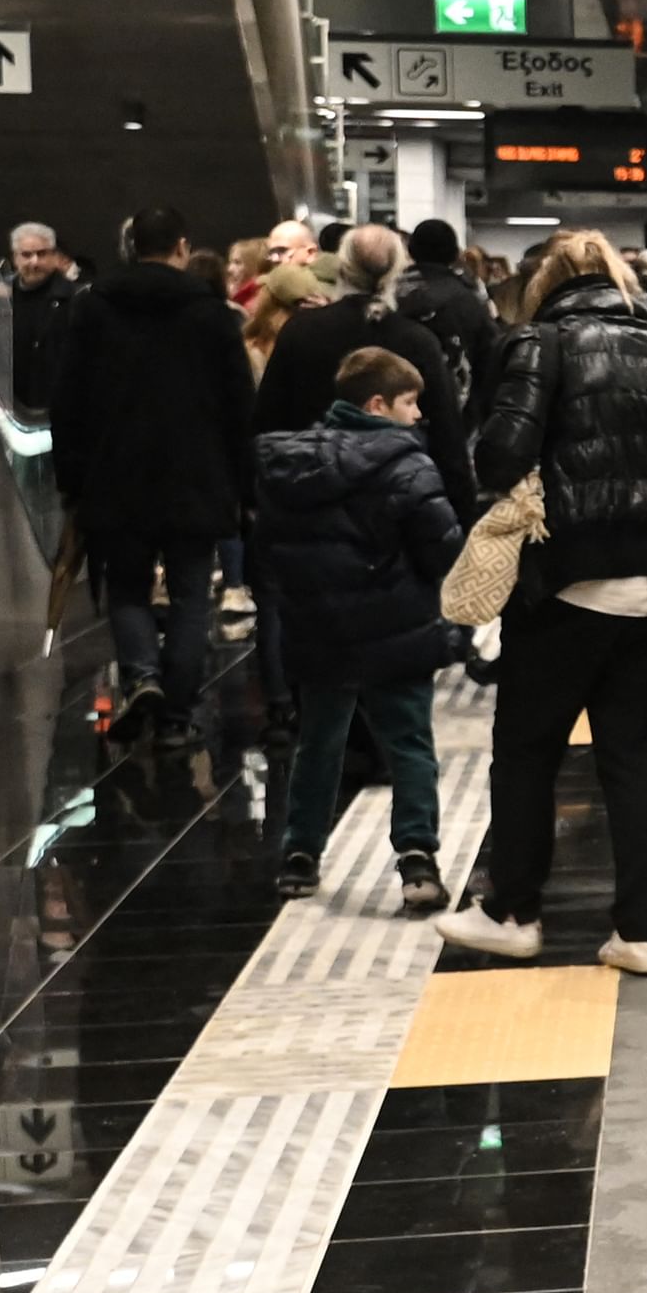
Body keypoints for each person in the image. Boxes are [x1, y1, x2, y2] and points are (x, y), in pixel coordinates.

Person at [437, 231, 647, 974]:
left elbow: (499, 453)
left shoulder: (542, 340)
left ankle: (513, 910)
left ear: (545, 285)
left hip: (576, 580)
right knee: (636, 760)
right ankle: (642, 933)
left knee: (527, 747)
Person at [251, 345, 460, 909]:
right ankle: (417, 860)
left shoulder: (289, 464)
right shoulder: (409, 465)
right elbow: (444, 550)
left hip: (319, 627)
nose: (418, 415)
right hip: (396, 627)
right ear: (377, 404)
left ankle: (300, 855)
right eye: (410, 403)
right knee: (410, 744)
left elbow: (269, 550)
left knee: (319, 741)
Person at [51, 207, 253, 736]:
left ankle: (142, 676)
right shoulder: (211, 315)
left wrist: (71, 479)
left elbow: (67, 400)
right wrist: (242, 483)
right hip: (196, 476)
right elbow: (239, 406)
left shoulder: (93, 308)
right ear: (182, 247)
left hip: (114, 476)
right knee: (190, 595)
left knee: (126, 588)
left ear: (129, 246)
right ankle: (177, 712)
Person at [256, 226, 476, 517]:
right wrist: (460, 508)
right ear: (396, 273)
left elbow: (269, 418)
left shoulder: (301, 331)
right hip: (395, 504)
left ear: (342, 268)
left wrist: (258, 496)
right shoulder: (417, 341)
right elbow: (446, 431)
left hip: (310, 497)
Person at [396, 217, 499, 419]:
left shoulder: (392, 293)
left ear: (411, 251)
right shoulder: (469, 298)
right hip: (457, 406)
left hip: (396, 405)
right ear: (454, 253)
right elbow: (488, 356)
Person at [0, 220, 83, 422]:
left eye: (42, 254)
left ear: (55, 256)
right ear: (14, 258)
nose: (34, 262)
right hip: (7, 406)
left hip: (52, 411)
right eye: (26, 255)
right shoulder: (0, 298)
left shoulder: (74, 299)